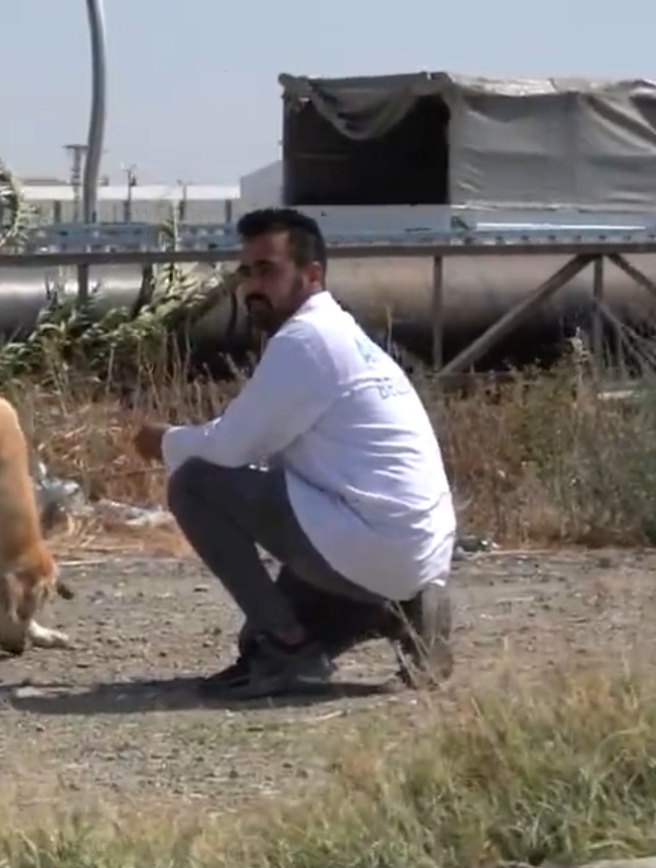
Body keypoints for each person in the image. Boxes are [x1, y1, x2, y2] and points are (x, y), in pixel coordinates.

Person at [129, 207, 458, 700]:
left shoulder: (307, 340)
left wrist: (164, 440)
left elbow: (229, 449)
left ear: (312, 275)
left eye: (268, 270)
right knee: (251, 637)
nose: (252, 287)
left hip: (370, 540)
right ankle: (403, 611)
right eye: (246, 272)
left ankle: (290, 649)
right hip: (410, 548)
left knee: (196, 482)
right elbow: (262, 451)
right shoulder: (341, 334)